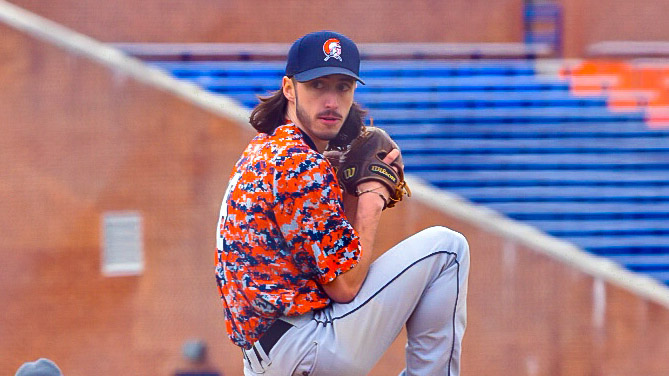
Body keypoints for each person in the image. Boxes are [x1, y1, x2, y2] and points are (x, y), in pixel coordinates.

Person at [215, 30, 470, 376]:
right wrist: (371, 195)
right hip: (303, 347)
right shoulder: (302, 162)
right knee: (449, 250)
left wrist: (346, 190)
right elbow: (344, 287)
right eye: (318, 85)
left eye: (343, 87)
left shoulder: (264, 149)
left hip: (268, 357)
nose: (332, 101)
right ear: (289, 88)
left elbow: (328, 263)